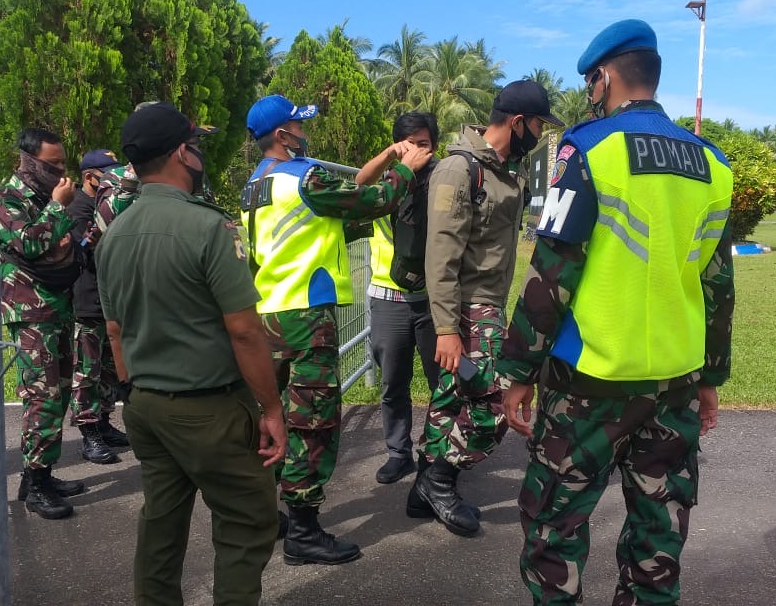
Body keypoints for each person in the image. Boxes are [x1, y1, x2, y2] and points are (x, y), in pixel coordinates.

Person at [497, 19, 735, 605]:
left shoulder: (588, 150)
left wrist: (518, 372)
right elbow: (718, 286)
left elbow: (553, 272)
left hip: (589, 385)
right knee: (658, 537)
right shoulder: (714, 165)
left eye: (591, 83)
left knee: (555, 530)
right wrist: (712, 377)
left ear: (603, 77)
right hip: (675, 382)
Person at [96, 102, 287, 605]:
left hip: (145, 404)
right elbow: (245, 332)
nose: (200, 154)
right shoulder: (209, 228)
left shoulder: (113, 234)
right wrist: (271, 409)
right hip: (210, 409)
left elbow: (114, 330)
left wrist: (135, 386)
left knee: (161, 522)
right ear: (183, 153)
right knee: (248, 520)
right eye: (196, 145)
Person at [240, 94, 429, 565]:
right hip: (306, 317)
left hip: (268, 315)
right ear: (283, 135)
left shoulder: (255, 184)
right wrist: (406, 166)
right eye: (299, 127)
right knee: (313, 422)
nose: (306, 134)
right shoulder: (305, 177)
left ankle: (267, 514)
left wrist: (386, 157)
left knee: (272, 418)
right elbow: (378, 198)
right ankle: (303, 531)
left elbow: (304, 230)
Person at [409, 80, 562, 537]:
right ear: (517, 122)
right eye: (537, 124)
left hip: (486, 306)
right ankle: (440, 480)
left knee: (450, 398)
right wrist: (445, 329)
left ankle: (423, 489)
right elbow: (441, 253)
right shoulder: (461, 169)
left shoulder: (501, 169)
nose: (539, 134)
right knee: (494, 405)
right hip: (464, 310)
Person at [0, 128, 84, 519]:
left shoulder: (38, 197)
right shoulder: (9, 198)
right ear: (30, 161)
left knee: (60, 392)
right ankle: (35, 484)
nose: (62, 172)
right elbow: (31, 244)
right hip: (30, 311)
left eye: (64, 164)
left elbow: (60, 244)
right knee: (42, 397)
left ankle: (42, 476)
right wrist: (57, 208)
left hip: (56, 305)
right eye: (54, 165)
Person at [353, 111, 442, 485]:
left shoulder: (443, 177)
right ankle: (398, 453)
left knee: (443, 383)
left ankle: (439, 458)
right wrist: (393, 157)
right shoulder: (388, 183)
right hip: (389, 298)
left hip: (434, 299)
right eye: (410, 144)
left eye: (424, 144)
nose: (418, 152)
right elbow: (358, 184)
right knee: (393, 382)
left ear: (434, 146)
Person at [66, 148, 137, 465]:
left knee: (108, 371)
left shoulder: (105, 206)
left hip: (112, 302)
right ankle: (89, 433)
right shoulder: (78, 208)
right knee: (87, 373)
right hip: (88, 301)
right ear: (89, 177)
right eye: (106, 173)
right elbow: (87, 251)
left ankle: (105, 423)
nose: (112, 179)